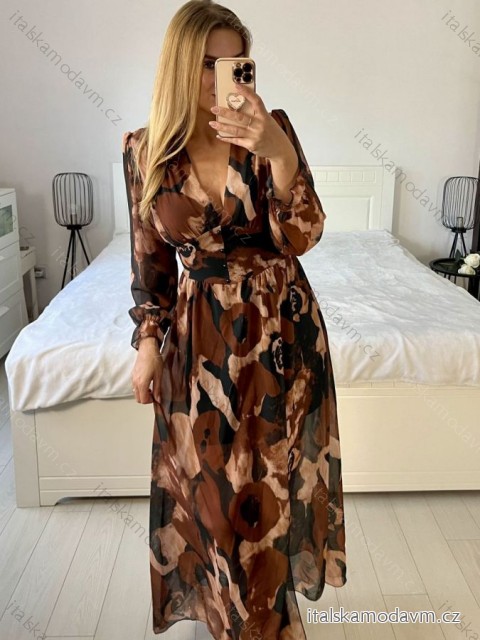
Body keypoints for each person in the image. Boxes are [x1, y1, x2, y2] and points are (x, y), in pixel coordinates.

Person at [122, 1, 347, 638]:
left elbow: (304, 234)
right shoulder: (144, 149)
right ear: (178, 65)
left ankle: (265, 622)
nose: (222, 76)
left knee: (272, 492)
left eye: (235, 62)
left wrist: (279, 154)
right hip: (200, 343)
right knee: (211, 497)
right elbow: (150, 266)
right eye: (207, 63)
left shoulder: (273, 131)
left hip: (281, 332)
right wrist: (147, 344)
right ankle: (232, 615)